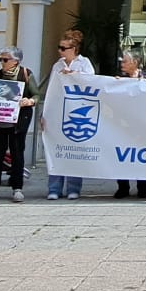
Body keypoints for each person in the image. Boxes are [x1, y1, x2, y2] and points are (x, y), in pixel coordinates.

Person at [43, 30, 95, 200]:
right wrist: (45, 114)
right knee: (56, 150)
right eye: (59, 48)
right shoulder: (57, 65)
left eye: (63, 48)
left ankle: (74, 187)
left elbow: (92, 82)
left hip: (77, 110)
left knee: (74, 150)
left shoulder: (84, 63)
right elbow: (51, 90)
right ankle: (54, 188)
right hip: (59, 110)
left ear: (74, 49)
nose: (60, 51)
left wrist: (74, 76)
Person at [0, 46, 37, 203]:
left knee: (17, 154)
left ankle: (17, 188)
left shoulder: (25, 74)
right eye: (0, 59)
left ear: (16, 61)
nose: (2, 62)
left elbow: (36, 94)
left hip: (18, 122)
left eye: (5, 59)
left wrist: (30, 101)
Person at [113, 49, 146, 199]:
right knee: (122, 155)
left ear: (135, 62)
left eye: (124, 61)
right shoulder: (119, 79)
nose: (122, 64)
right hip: (123, 124)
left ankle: (142, 187)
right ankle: (123, 187)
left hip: (142, 124)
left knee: (141, 156)